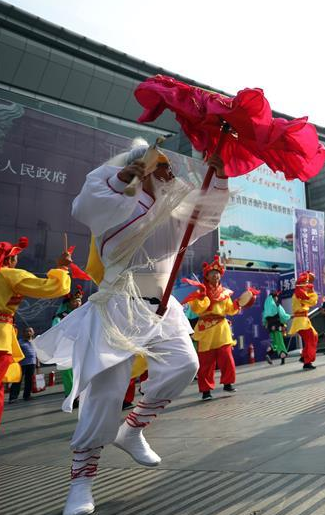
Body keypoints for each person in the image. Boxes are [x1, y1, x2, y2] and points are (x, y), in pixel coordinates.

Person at [33, 140, 229, 515]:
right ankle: (81, 482)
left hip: (161, 307)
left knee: (184, 365)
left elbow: (207, 217)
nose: (168, 172)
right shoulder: (116, 203)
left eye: (168, 166)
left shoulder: (174, 208)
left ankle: (133, 428)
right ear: (143, 168)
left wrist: (217, 177)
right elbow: (85, 203)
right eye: (160, 165)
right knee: (105, 394)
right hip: (117, 305)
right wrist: (128, 172)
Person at [1, 236, 71, 425]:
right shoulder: (9, 275)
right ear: (9, 260)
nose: (17, 261)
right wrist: (63, 267)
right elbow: (52, 287)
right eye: (15, 257)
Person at [182, 256, 257, 400]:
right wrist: (203, 297)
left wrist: (240, 303)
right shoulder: (200, 293)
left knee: (226, 357)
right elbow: (197, 309)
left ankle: (228, 383)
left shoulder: (225, 292)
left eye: (217, 273)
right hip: (205, 329)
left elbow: (230, 309)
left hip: (222, 328)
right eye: (212, 273)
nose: (215, 275)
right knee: (206, 361)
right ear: (207, 276)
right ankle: (206, 391)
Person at [53, 285, 85, 402]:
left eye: (80, 300)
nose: (78, 303)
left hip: (81, 348)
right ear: (68, 302)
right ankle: (71, 396)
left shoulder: (84, 315)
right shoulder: (60, 317)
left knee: (80, 372)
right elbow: (55, 332)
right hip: (66, 350)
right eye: (75, 301)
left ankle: (80, 394)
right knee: (68, 373)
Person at [290, 271, 319, 370]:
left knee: (312, 337)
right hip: (301, 321)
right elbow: (313, 301)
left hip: (302, 321)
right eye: (306, 282)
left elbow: (312, 301)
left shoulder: (299, 293)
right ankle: (307, 361)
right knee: (311, 339)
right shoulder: (300, 294)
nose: (307, 284)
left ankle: (304, 357)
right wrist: (311, 291)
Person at [8, 327, 38, 402]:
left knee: (29, 380)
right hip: (21, 364)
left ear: (33, 332)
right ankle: (13, 397)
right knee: (18, 380)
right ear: (23, 333)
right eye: (27, 331)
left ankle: (27, 396)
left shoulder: (34, 342)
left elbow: (36, 353)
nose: (28, 333)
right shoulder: (20, 342)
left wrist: (38, 363)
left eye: (30, 331)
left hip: (32, 363)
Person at [262, 290, 290, 365]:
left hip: (271, 327)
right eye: (276, 296)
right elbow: (283, 316)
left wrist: (265, 324)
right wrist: (290, 316)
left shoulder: (266, 308)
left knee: (274, 342)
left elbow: (264, 319)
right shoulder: (277, 305)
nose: (277, 298)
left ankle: (268, 354)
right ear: (274, 297)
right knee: (280, 342)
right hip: (277, 326)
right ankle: (282, 360)